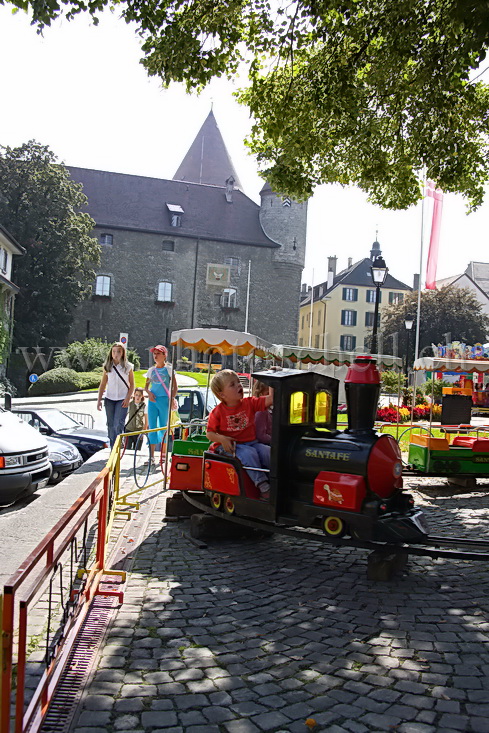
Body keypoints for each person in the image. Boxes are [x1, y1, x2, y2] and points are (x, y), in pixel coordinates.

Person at [207, 369, 273, 500]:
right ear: (222, 395)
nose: (239, 385)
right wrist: (222, 439)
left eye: (238, 382)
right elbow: (209, 433)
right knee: (249, 454)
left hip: (251, 443)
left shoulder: (249, 403)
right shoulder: (218, 412)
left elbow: (270, 399)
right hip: (231, 446)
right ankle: (263, 486)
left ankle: (276, 479)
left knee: (268, 451)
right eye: (232, 384)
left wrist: (273, 380)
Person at [97, 342, 135, 448]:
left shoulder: (128, 367)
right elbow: (103, 384)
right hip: (109, 399)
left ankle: (118, 446)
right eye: (114, 351)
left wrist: (128, 398)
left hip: (122, 399)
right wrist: (99, 400)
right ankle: (113, 447)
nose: (116, 354)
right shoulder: (107, 366)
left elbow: (132, 384)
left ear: (123, 353)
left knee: (118, 424)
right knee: (110, 424)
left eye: (118, 351)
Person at [144, 345, 178, 464]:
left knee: (163, 427)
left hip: (164, 400)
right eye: (154, 353)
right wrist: (149, 393)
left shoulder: (169, 369)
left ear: (164, 355)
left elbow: (175, 387)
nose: (156, 355)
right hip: (152, 401)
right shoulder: (151, 370)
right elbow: (146, 387)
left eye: (158, 353)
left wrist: (172, 398)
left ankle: (163, 455)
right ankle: (151, 456)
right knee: (152, 427)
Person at [253, 380, 272, 445]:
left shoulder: (268, 409)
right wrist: (275, 439)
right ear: (261, 395)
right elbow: (261, 436)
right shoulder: (261, 411)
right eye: (268, 393)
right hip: (265, 444)